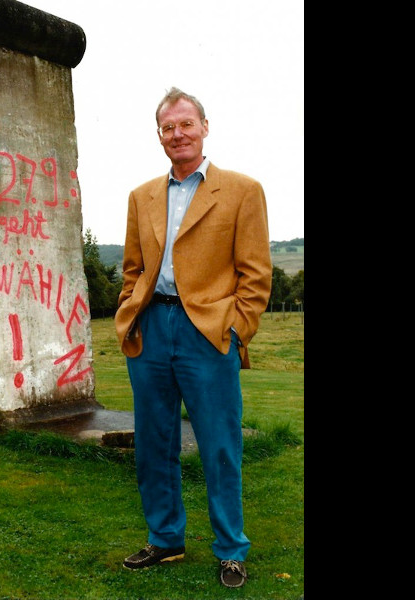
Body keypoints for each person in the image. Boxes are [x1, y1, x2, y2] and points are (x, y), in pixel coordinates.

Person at [114, 87, 272, 589]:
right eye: (167, 127)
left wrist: (235, 326)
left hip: (209, 333)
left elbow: (256, 275)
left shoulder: (243, 190)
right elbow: (133, 268)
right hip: (152, 331)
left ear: (204, 127)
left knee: (220, 446)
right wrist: (129, 313)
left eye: (186, 124)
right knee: (154, 444)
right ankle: (165, 540)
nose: (177, 134)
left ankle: (230, 549)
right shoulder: (142, 196)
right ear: (159, 135)